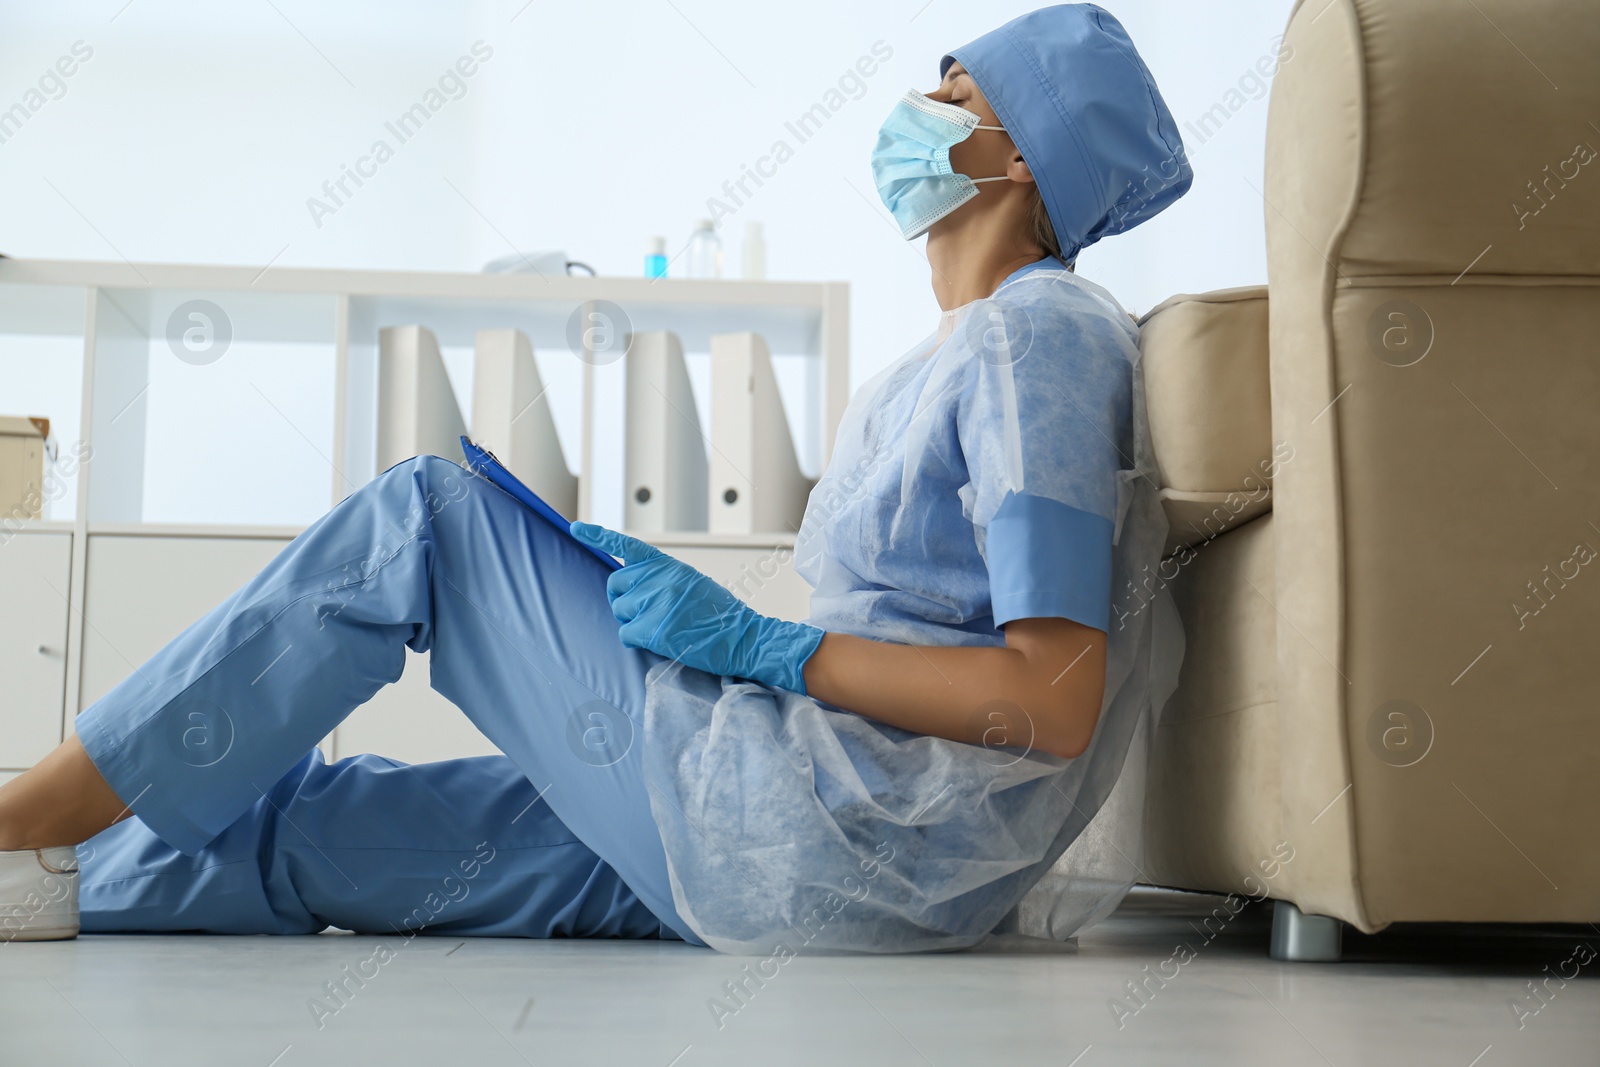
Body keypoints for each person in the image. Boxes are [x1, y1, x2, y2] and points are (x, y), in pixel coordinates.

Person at [0, 3, 1189, 953]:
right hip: (791, 853)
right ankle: (39, 883)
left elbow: (1050, 698)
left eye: (953, 93)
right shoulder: (939, 363)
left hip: (831, 831)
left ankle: (21, 812)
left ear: (1026, 153)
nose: (914, 113)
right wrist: (738, 652)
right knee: (319, 822)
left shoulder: (1037, 338)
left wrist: (768, 649)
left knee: (426, 515)